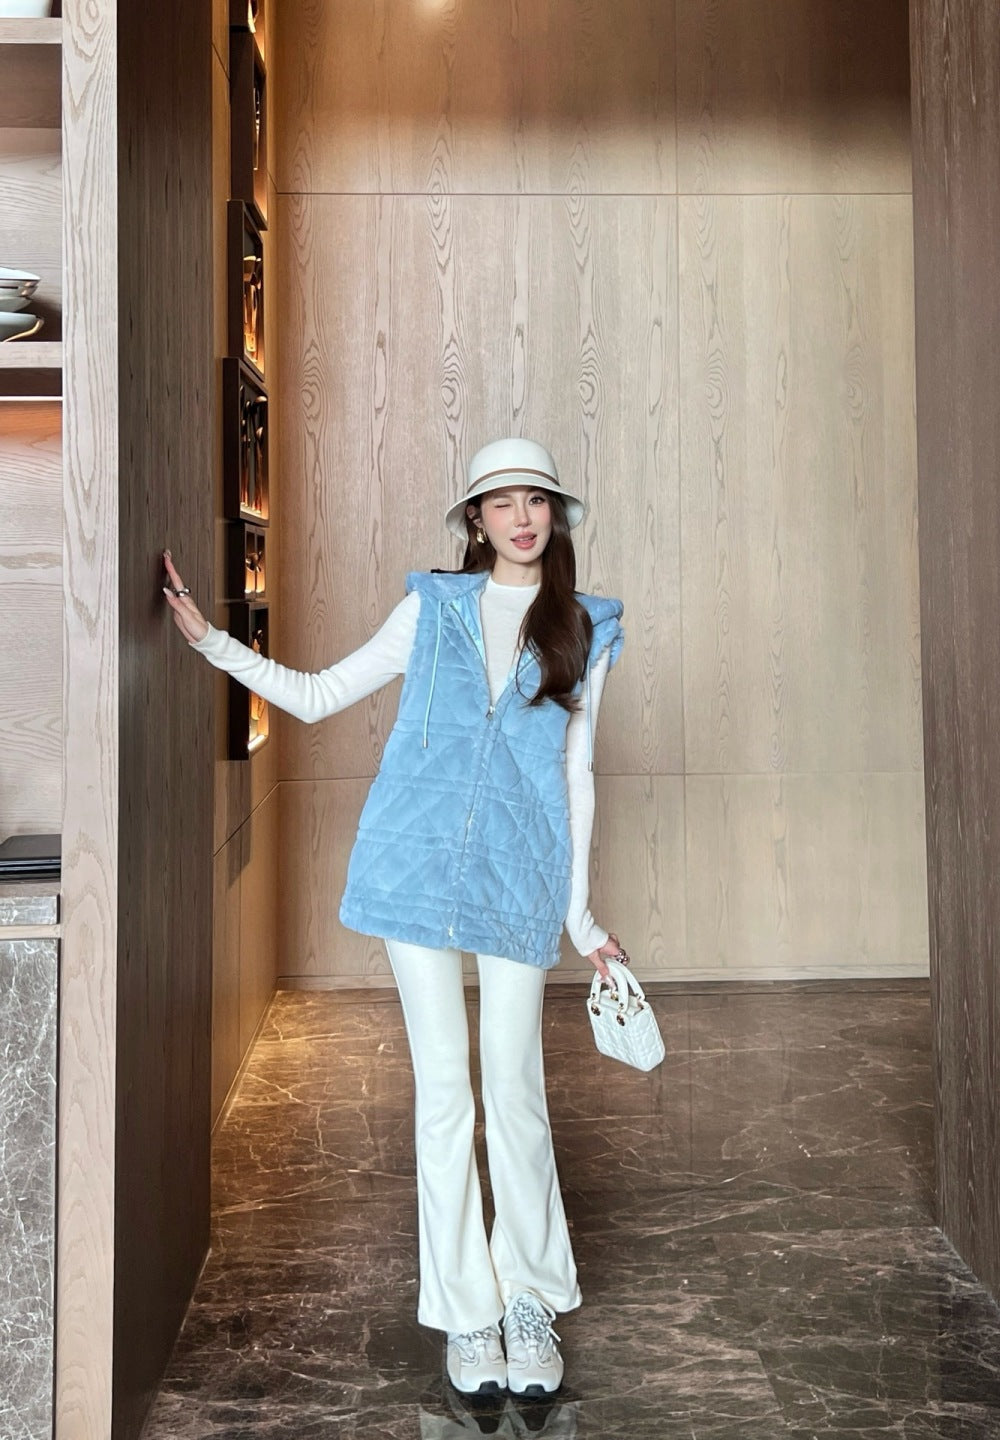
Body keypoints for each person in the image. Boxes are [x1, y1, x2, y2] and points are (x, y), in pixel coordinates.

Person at [162, 436, 626, 1400]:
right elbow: (319, 694)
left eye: (537, 500)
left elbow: (576, 775)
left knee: (515, 1090)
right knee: (446, 1094)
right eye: (502, 502)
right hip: (413, 870)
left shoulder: (583, 627)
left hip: (518, 878)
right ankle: (469, 1312)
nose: (522, 518)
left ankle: (529, 1297)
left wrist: (581, 919)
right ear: (475, 521)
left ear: (556, 515)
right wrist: (211, 641)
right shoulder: (433, 610)